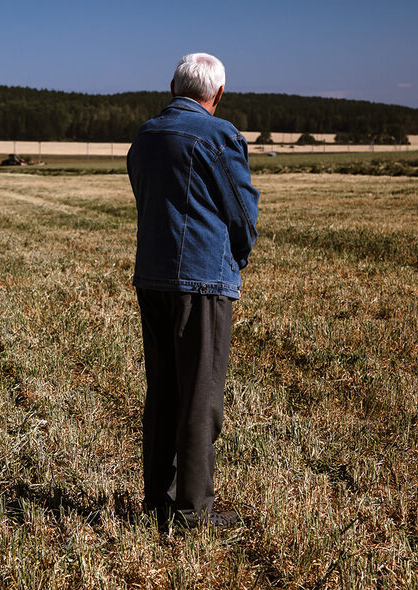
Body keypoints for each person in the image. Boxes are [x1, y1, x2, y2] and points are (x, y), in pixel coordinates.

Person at [127, 53, 260, 530]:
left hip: (152, 276)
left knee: (162, 390)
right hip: (202, 279)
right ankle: (193, 512)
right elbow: (242, 212)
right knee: (200, 397)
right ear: (218, 95)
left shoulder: (146, 135)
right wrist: (239, 256)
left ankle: (156, 501)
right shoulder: (219, 135)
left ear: (172, 86)